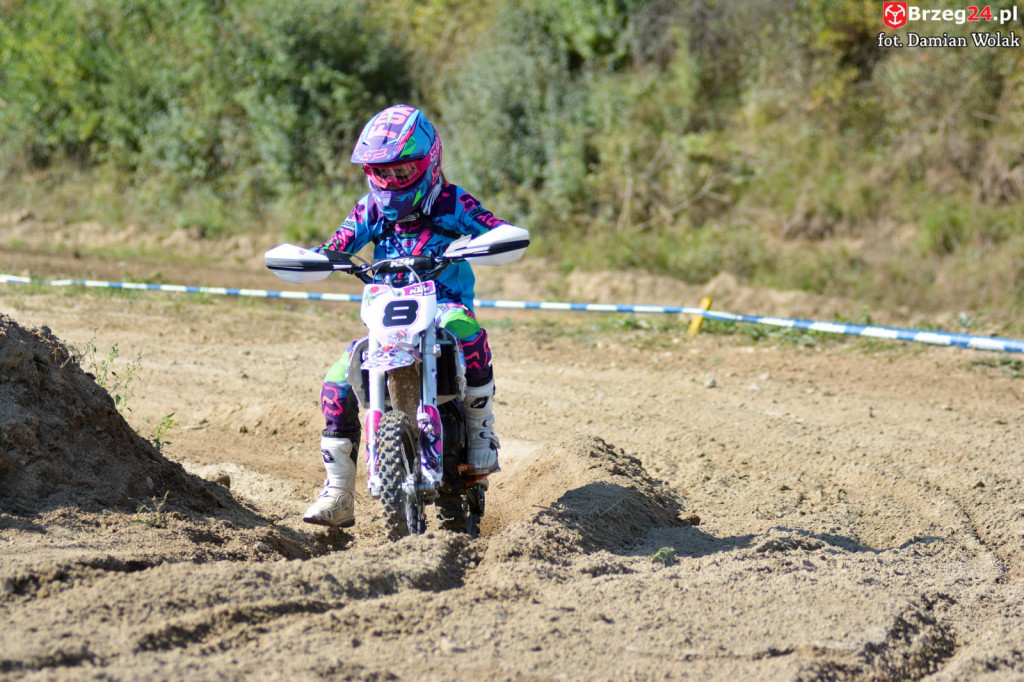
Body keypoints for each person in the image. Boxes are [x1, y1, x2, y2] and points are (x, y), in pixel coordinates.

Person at [303, 104, 522, 528]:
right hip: (388, 316)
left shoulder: (453, 202)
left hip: (444, 307)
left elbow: (494, 227)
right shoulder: (369, 209)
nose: (391, 182)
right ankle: (337, 492)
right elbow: (337, 243)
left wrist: (488, 242)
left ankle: (479, 433)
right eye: (381, 172)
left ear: (430, 162)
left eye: (403, 172)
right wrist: (316, 260)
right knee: (336, 380)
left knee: (469, 333)